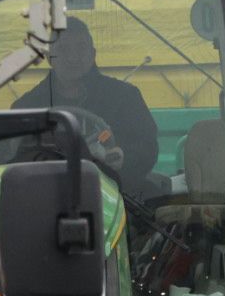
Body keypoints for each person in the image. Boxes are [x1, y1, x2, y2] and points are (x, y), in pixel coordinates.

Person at [14, 22, 160, 187]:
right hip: (45, 194)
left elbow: (148, 146)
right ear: (49, 57)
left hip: (116, 193)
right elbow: (9, 158)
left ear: (93, 54)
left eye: (81, 48)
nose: (73, 57)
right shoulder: (27, 107)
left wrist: (124, 156)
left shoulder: (126, 98)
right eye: (63, 49)